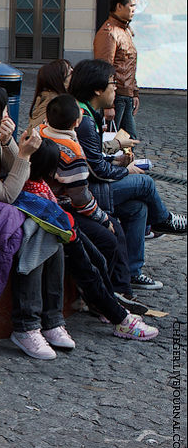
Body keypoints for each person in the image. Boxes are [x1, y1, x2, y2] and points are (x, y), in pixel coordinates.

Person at [0, 85, 72, 359]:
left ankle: (52, 320)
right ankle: (26, 326)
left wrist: (9, 143)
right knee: (33, 231)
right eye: (2, 112)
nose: (7, 117)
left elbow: (17, 173)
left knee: (52, 229)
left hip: (2, 209)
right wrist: (24, 155)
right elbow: (7, 192)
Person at [68, 59, 186, 290]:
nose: (116, 88)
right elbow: (97, 170)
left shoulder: (87, 113)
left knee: (137, 208)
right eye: (112, 83)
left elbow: (95, 158)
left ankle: (132, 271)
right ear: (97, 89)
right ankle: (162, 220)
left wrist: (116, 158)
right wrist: (124, 168)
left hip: (91, 187)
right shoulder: (84, 119)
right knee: (144, 182)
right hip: (84, 193)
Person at [25, 137, 158, 341]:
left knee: (98, 261)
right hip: (63, 232)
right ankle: (119, 317)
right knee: (89, 271)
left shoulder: (40, 185)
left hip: (66, 229)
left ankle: (113, 306)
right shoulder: (36, 191)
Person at [38, 94, 137, 302]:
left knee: (115, 228)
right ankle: (98, 296)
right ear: (76, 122)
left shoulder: (40, 131)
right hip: (60, 208)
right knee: (109, 237)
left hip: (49, 203)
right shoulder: (72, 153)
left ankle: (118, 288)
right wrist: (102, 219)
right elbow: (80, 198)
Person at [93, 0, 140, 138]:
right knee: (111, 144)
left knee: (128, 142)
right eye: (131, 6)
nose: (134, 10)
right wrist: (108, 105)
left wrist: (134, 93)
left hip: (125, 96)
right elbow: (104, 69)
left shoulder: (124, 30)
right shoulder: (109, 32)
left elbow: (129, 65)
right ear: (119, 6)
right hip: (115, 97)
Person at [28, 58, 72, 130]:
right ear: (59, 82)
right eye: (70, 73)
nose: (74, 73)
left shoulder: (47, 97)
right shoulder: (55, 105)